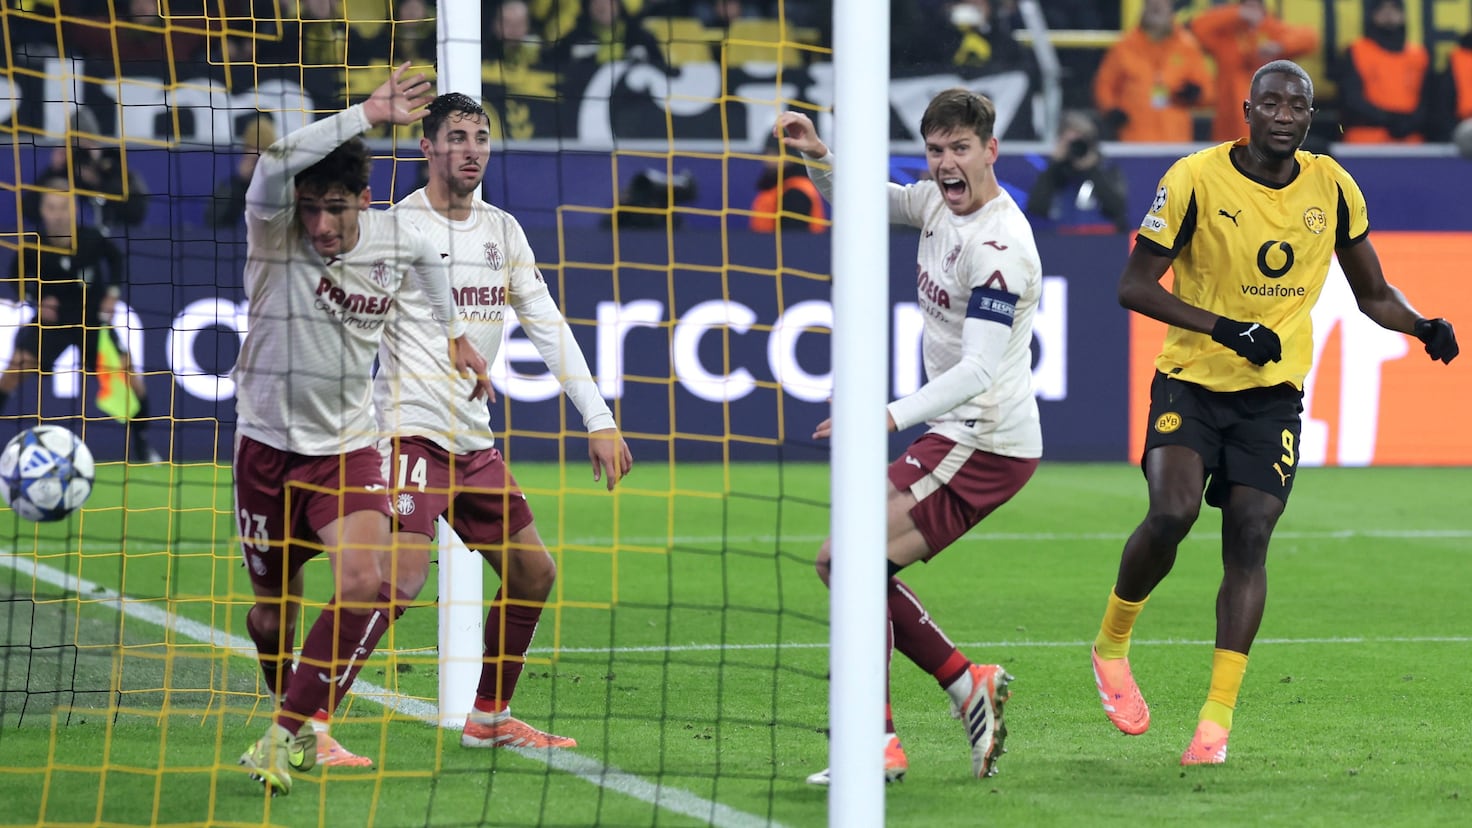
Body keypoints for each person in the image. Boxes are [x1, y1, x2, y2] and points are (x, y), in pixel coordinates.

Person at [1089, 59, 1459, 767]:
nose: (1285, 116)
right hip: (1192, 381)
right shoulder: (1194, 179)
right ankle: (1111, 643)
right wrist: (1226, 329)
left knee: (1251, 536)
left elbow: (1372, 293)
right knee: (1172, 514)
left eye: (1298, 106)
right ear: (1247, 111)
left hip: (1272, 396)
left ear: (1310, 117)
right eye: (1272, 103)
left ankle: (1215, 724)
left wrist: (1420, 325)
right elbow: (1133, 286)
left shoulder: (1333, 187)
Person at [298, 92, 634, 762]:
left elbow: (547, 324)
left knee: (533, 572)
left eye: (480, 136)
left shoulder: (502, 232)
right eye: (456, 136)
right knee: (399, 579)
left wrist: (598, 418)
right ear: (426, 147)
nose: (471, 149)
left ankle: (489, 716)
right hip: (408, 433)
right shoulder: (395, 229)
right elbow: (343, 327)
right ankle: (306, 722)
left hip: (473, 442)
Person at [232, 63, 492, 796]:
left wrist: (455, 335)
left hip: (346, 450)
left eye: (336, 209)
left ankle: (284, 733)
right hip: (265, 450)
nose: (321, 225)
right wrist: (368, 113)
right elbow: (276, 162)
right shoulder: (275, 234)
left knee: (362, 583)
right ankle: (292, 714)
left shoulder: (393, 237)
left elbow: (429, 264)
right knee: (270, 619)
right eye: (311, 208)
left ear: (365, 203)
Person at [776, 88, 1044, 784]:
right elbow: (873, 203)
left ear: (990, 151)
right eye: (935, 150)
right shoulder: (934, 203)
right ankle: (963, 686)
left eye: (961, 148)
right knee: (850, 564)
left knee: (847, 560)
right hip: (960, 436)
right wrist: (820, 156)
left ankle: (877, 743)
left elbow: (979, 369)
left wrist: (885, 416)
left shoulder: (1000, 248)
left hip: (983, 440)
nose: (947, 163)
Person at [0, 177, 161, 463]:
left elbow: (116, 260)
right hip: (52, 324)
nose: (58, 214)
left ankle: (142, 445)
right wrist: (36, 298)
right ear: (43, 211)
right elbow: (15, 277)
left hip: (92, 322)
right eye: (52, 207)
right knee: (13, 370)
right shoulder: (33, 246)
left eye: (64, 207)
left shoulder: (91, 239)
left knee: (131, 379)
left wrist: (112, 294)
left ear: (74, 209)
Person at [1190, 0, 1318, 142]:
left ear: (1263, 10)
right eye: (1246, 7)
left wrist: (1280, 46)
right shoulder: (1227, 35)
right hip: (1227, 123)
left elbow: (1310, 38)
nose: (1250, 12)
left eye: (1254, 7)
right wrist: (1235, 13)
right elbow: (1198, 27)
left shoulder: (1271, 30)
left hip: (1267, 122)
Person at [1094, 0, 1213, 143]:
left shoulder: (1187, 46)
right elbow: (1104, 84)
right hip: (1134, 137)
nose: (1157, 6)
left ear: (1170, 9)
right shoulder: (1125, 46)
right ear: (1144, 8)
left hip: (1175, 138)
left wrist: (1196, 93)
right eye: (1152, 3)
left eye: (1162, 4)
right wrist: (1111, 110)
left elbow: (1207, 91)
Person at [1334, 0, 1433, 144]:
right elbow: (1350, 98)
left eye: (1395, 8)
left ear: (1403, 15)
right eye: (1382, 9)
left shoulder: (1419, 56)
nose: (1389, 14)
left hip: (1411, 140)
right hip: (1364, 139)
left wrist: (1410, 123)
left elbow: (1429, 99)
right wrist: (1389, 120)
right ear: (1372, 15)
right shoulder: (1356, 51)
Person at [1024, 110, 1130, 234]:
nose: (1075, 148)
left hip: (1100, 238)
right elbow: (1035, 207)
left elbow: (1117, 209)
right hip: (1060, 239)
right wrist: (1054, 166)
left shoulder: (1107, 169)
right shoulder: (1055, 172)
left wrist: (1092, 170)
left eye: (1079, 142)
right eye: (1070, 143)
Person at [206, 115, 277, 228]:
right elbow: (213, 222)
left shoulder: (283, 184)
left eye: (263, 151)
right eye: (252, 149)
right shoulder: (230, 186)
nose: (257, 159)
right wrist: (240, 182)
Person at [749, 131, 825, 233]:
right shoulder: (774, 185)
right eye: (767, 153)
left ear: (790, 156)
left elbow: (793, 237)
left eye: (776, 154)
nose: (769, 159)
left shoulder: (796, 193)